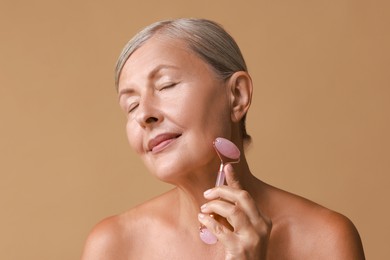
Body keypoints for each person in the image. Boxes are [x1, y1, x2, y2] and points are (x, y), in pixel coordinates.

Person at [81, 18, 365, 259]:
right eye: (130, 106)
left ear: (238, 95)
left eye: (166, 85)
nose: (144, 114)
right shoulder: (113, 245)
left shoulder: (325, 239)